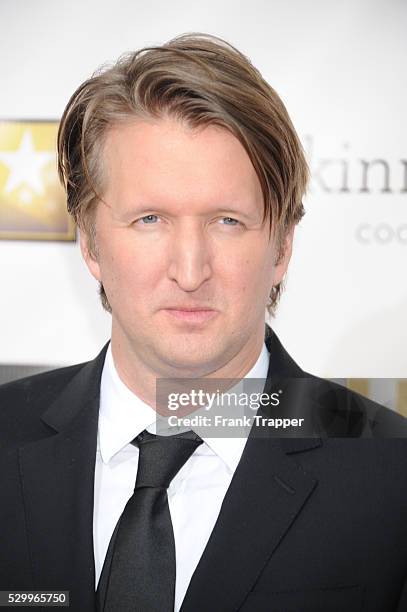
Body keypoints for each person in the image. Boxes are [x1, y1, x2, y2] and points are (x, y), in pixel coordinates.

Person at [0, 33, 406, 612]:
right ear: (89, 241)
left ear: (283, 245)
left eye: (227, 221)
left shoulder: (391, 477)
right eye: (149, 219)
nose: (190, 271)